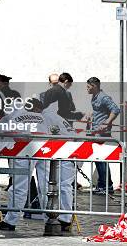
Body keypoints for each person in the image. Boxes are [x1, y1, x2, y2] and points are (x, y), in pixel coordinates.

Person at [0, 98, 49, 231]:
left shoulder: (17, 114)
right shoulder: (44, 118)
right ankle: (51, 219)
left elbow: (6, 131)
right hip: (44, 150)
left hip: (23, 151)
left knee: (19, 187)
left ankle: (11, 221)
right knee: (46, 186)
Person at [42, 99, 77, 231]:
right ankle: (65, 217)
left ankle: (65, 218)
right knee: (65, 186)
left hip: (65, 152)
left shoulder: (46, 117)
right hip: (69, 151)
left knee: (64, 186)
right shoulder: (55, 116)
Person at [86, 77, 120, 194]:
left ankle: (106, 186)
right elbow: (100, 111)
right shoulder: (95, 97)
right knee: (99, 158)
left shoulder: (103, 97)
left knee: (100, 158)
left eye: (88, 87)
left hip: (102, 133)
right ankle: (104, 185)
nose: (87, 89)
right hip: (95, 131)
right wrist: (91, 116)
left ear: (94, 86)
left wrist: (107, 122)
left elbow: (115, 109)